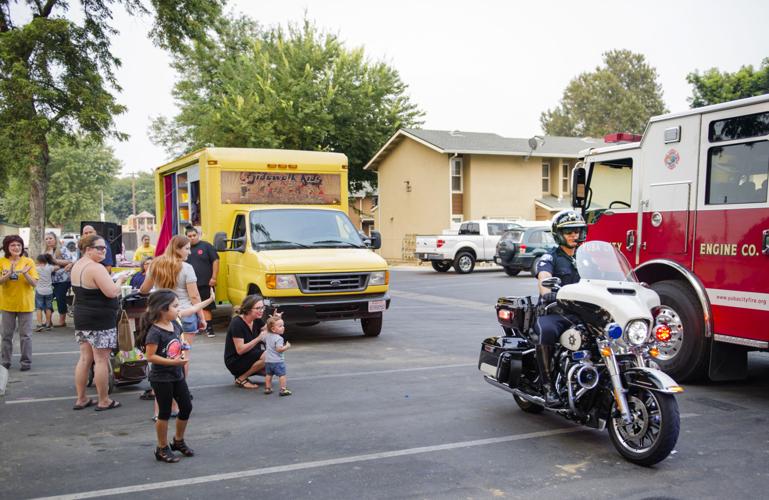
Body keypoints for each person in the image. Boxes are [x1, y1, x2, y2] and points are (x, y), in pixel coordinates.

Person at [135, 289, 213, 463]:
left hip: (176, 374)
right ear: (162, 309)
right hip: (161, 377)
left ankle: (178, 440)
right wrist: (174, 363)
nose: (178, 310)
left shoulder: (175, 324)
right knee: (164, 413)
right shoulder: (155, 332)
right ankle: (161, 448)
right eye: (175, 306)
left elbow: (179, 340)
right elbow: (150, 356)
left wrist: (183, 345)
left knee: (186, 407)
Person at [532, 210, 586, 407]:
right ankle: (548, 387)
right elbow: (544, 277)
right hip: (556, 311)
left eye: (577, 230)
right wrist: (547, 290)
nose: (574, 235)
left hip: (582, 313)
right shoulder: (550, 257)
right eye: (569, 231)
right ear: (559, 234)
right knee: (545, 331)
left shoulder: (586, 257)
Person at [71, 234, 129, 411]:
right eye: (99, 248)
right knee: (101, 359)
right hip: (99, 318)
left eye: (105, 248)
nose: (104, 251)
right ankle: (104, 400)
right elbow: (112, 292)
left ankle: (81, 398)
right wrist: (120, 280)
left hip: (82, 316)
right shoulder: (96, 268)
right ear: (87, 249)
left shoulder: (77, 265)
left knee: (85, 358)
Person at [139, 235, 204, 378]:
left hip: (159, 315)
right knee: (183, 355)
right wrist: (202, 318)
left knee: (159, 353)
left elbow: (144, 289)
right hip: (184, 314)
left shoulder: (155, 264)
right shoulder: (187, 268)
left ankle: (159, 386)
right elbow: (194, 297)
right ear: (177, 249)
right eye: (187, 248)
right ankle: (180, 388)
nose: (190, 252)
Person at [0, 235, 39, 371]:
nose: (16, 248)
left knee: (26, 336)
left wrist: (26, 274)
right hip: (7, 304)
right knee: (6, 335)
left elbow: (34, 283)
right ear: (7, 247)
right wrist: (8, 273)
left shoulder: (28, 261)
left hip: (25, 304)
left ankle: (26, 362)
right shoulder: (2, 261)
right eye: (13, 245)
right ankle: (5, 361)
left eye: (18, 245)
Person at [224, 294, 276, 389]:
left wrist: (275, 320)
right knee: (269, 356)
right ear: (248, 309)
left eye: (262, 307)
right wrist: (258, 338)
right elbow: (240, 350)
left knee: (273, 362)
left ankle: (253, 371)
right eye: (258, 308)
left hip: (250, 354)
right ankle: (241, 378)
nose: (262, 310)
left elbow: (268, 329)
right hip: (235, 360)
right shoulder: (237, 323)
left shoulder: (256, 319)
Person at [185, 226, 219, 337]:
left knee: (206, 306)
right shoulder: (185, 248)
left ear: (198, 235)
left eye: (194, 235)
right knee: (193, 305)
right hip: (189, 284)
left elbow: (216, 260)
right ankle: (198, 326)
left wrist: (214, 277)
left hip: (205, 282)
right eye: (189, 236)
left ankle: (209, 328)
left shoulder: (206, 246)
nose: (192, 238)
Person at [45, 232, 76, 327]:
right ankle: (48, 321)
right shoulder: (45, 252)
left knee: (60, 298)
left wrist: (55, 261)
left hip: (63, 279)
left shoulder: (62, 249)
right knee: (47, 299)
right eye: (46, 239)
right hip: (49, 280)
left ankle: (62, 321)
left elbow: (70, 261)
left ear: (55, 239)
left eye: (50, 238)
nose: (48, 240)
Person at [263, 315, 291, 396]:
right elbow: (279, 349)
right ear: (273, 329)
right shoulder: (279, 338)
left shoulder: (267, 336)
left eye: (283, 325)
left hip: (268, 360)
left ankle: (268, 388)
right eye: (280, 326)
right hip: (277, 361)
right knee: (282, 375)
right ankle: (283, 389)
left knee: (269, 374)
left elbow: (264, 335)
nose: (283, 327)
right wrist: (287, 346)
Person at [34, 254, 57, 331]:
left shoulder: (36, 269)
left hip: (39, 290)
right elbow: (58, 267)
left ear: (38, 261)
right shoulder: (50, 268)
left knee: (39, 308)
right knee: (48, 308)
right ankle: (48, 324)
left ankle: (39, 324)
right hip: (49, 291)